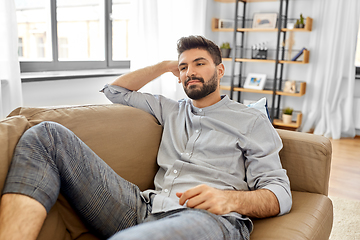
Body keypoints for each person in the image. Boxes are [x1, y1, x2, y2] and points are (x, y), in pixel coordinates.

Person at [0, 35, 292, 240]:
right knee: (46, 134)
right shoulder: (170, 109)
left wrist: (228, 199)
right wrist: (166, 65)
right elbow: (114, 91)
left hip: (207, 218)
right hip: (142, 208)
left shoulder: (251, 120)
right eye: (183, 67)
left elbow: (280, 194)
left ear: (220, 70)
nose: (190, 72)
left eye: (199, 63)